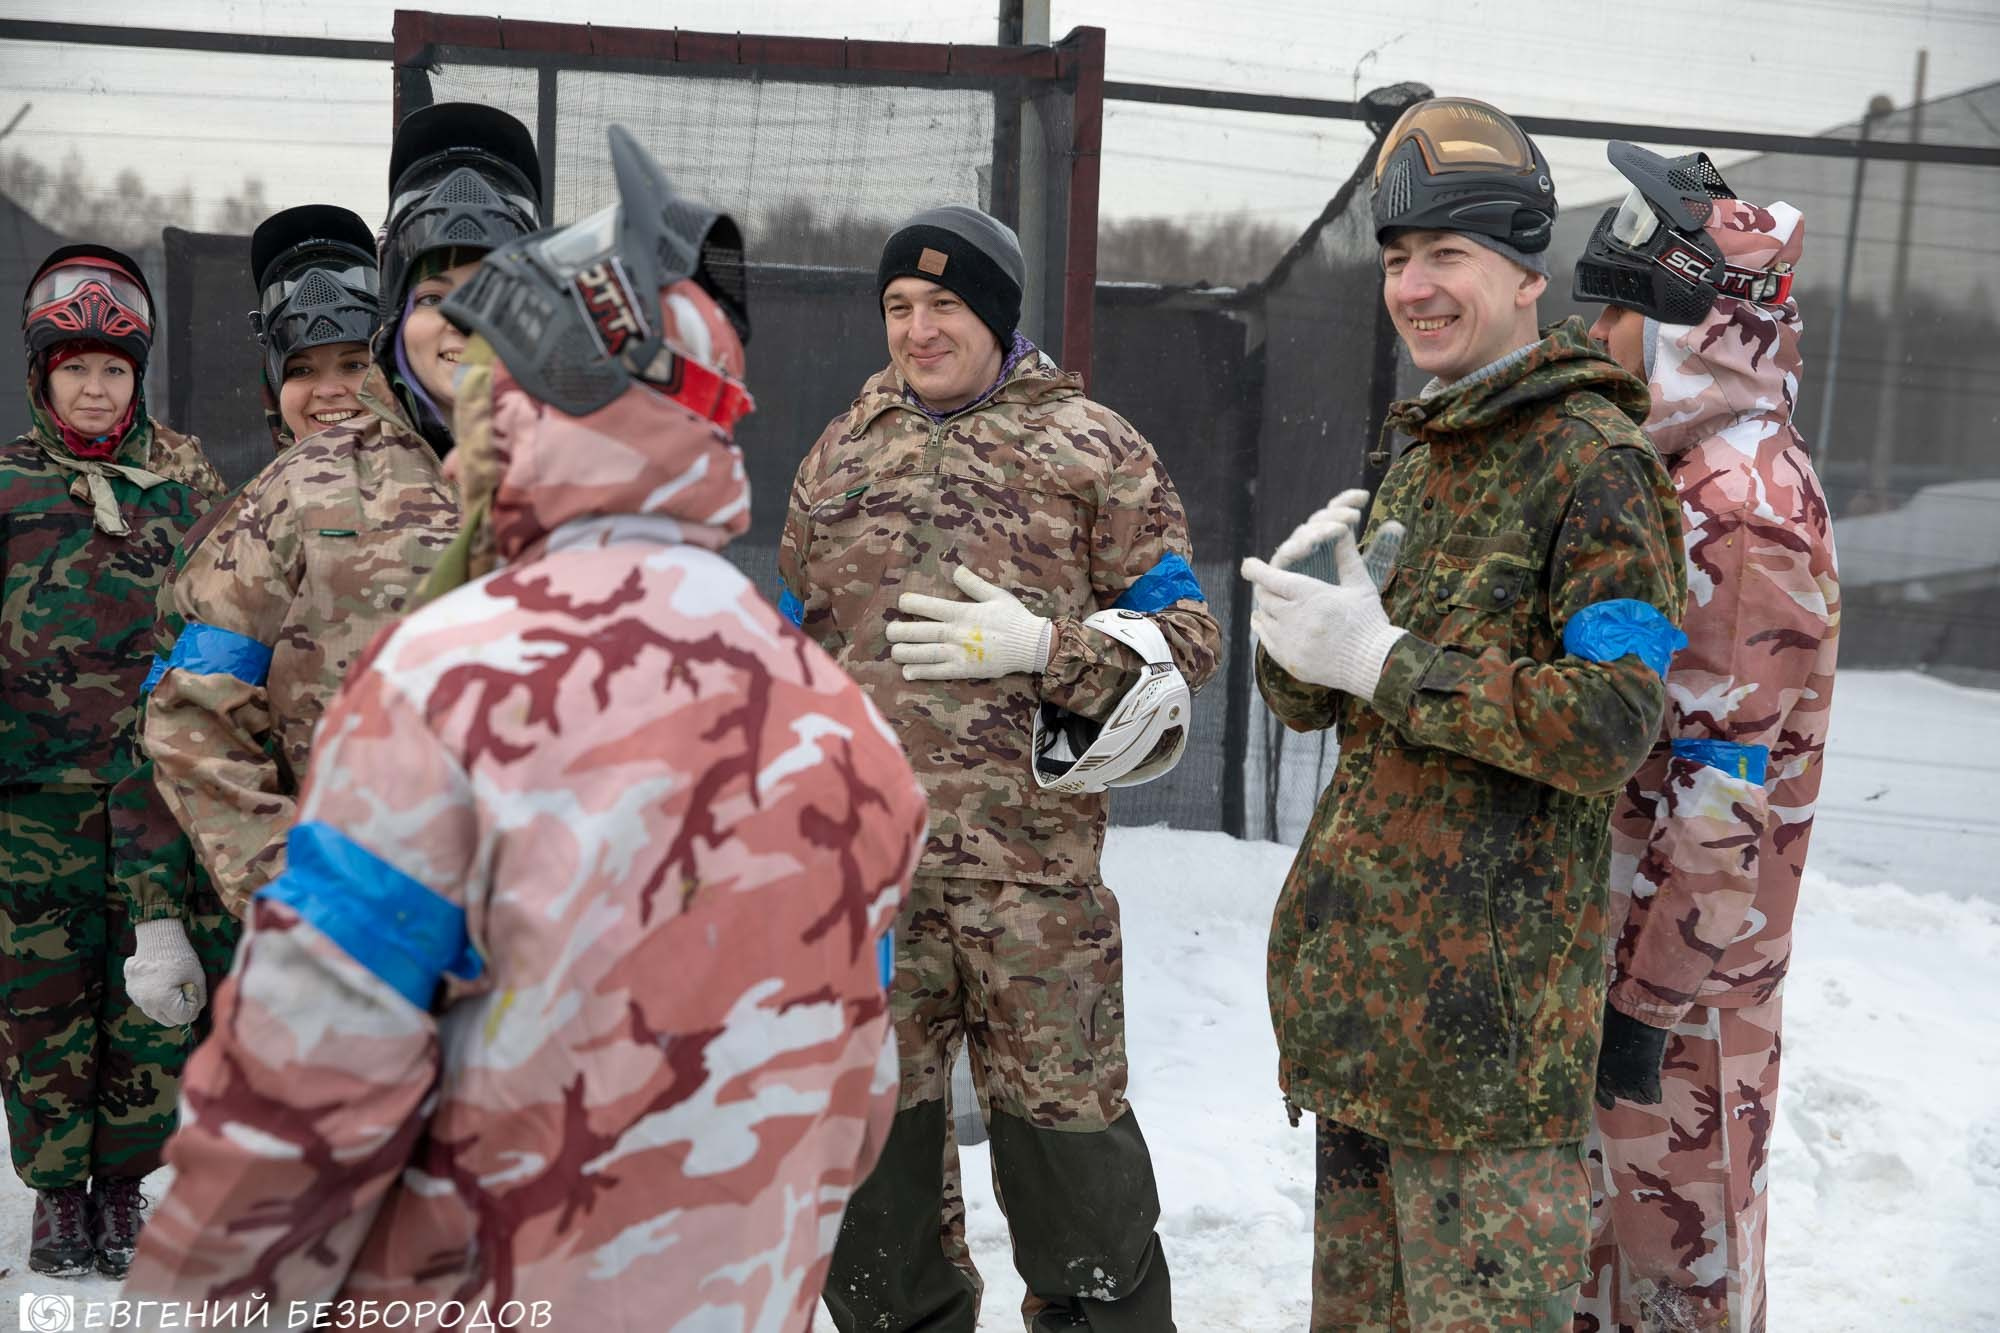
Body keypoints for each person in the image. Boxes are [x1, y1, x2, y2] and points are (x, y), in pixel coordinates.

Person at [120, 125, 927, 1329]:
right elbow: (853, 1099)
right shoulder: (838, 714)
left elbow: (303, 1086)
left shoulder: (445, 683)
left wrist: (197, 1295)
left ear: (528, 415)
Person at [1241, 97, 1687, 1332]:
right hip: (1368, 1040)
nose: (1414, 289)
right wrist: (1300, 643)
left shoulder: (1595, 465)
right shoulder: (1424, 454)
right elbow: (1351, 705)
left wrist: (1384, 659)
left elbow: (1611, 719)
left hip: (1484, 1069)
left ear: (1522, 275)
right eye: (1396, 261)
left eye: (1446, 257)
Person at [783, 202, 1219, 1333]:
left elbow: (1187, 643)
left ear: (995, 314)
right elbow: (788, 660)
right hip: (870, 891)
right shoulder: (837, 456)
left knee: (1074, 1175)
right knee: (871, 1183)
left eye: (944, 305)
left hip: (1033, 892)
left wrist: (1046, 648)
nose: (917, 329)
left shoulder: (1091, 447)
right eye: (897, 306)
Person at [143, 105, 540, 914]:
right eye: (434, 292)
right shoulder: (301, 490)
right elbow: (191, 708)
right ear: (398, 309)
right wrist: (294, 892)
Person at [1570, 144, 1839, 1333]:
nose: (1595, 333)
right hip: (1634, 962)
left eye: (1619, 310)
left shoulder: (1739, 511)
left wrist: (1643, 1004)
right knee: (1596, 1284)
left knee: (1675, 1287)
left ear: (1692, 324)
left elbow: (1720, 796)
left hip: (1682, 1004)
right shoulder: (1689, 473)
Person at [0, 243, 226, 1277]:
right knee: (41, 1004)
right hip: (30, 802)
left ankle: (124, 1185)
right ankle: (56, 1198)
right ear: (41, 373)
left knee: (149, 1003)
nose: (96, 387)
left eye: (115, 369)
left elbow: (226, 624)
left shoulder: (184, 483)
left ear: (139, 377)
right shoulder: (5, 485)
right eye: (75, 367)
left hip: (156, 797)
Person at [114, 203, 386, 1053]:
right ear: (274, 385)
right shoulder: (237, 540)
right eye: (304, 368)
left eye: (355, 360)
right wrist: (159, 917)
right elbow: (182, 730)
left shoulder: (474, 508)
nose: (331, 390)